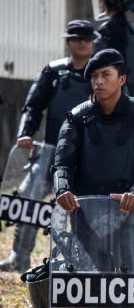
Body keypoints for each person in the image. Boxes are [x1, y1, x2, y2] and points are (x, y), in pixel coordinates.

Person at [52, 48, 134, 307]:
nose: (98, 81)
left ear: (121, 79)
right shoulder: (77, 115)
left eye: (106, 75)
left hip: (128, 207)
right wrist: (62, 189)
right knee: (93, 282)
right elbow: (62, 161)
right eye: (94, 76)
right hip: (85, 209)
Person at [0, 20, 98, 272]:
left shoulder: (100, 75)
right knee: (28, 201)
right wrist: (26, 134)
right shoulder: (53, 72)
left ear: (93, 42)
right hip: (49, 150)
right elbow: (33, 106)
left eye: (86, 38)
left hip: (85, 155)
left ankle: (76, 264)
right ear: (68, 42)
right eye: (76, 38)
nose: (82, 42)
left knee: (81, 209)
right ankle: (18, 256)